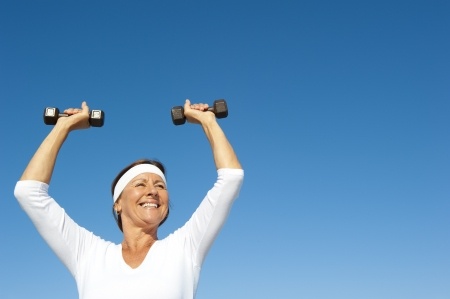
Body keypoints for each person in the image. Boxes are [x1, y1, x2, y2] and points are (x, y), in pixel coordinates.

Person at [14, 100, 244, 299]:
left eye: (160, 186)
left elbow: (231, 178)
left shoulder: (185, 247)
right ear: (118, 204)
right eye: (140, 184)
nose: (153, 192)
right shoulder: (88, 254)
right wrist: (63, 126)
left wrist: (208, 122)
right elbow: (28, 192)